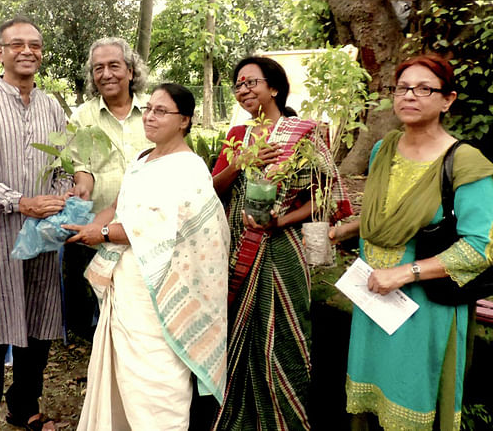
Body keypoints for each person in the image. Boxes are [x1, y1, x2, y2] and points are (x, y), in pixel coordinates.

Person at [331, 54, 493, 430]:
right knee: (370, 399)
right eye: (402, 88)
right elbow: (386, 217)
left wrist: (405, 273)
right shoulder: (382, 149)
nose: (410, 96)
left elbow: (480, 247)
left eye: (424, 89)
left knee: (411, 398)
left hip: (423, 304)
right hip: (373, 295)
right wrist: (348, 229)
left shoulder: (467, 162)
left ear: (447, 99)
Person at [65, 83, 231, 430]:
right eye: (150, 108)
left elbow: (164, 226)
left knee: (159, 379)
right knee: (125, 375)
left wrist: (105, 233)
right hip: (127, 283)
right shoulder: (142, 159)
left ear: (184, 120)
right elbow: (117, 206)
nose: (150, 117)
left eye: (161, 111)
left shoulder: (189, 168)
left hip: (162, 286)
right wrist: (87, 226)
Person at [210, 56, 352, 430]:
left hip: (282, 247)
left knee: (284, 336)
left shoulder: (304, 133)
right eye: (238, 85)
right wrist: (240, 162)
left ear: (273, 87)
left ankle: (285, 420)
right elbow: (212, 192)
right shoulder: (237, 138)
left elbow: (326, 197)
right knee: (239, 335)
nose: (243, 90)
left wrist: (280, 220)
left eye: (251, 82)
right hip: (237, 247)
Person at [0, 16, 70, 431]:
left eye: (35, 45)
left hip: (40, 239)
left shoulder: (52, 105)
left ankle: (23, 405)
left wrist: (63, 194)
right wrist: (22, 202)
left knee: (38, 329)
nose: (28, 51)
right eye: (17, 44)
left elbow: (63, 165)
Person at [65, 36, 151, 340]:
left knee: (148, 306)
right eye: (98, 68)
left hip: (149, 227)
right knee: (110, 307)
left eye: (114, 65)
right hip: (101, 229)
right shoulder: (83, 117)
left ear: (130, 70)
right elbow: (82, 166)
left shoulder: (154, 110)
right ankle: (111, 369)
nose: (106, 74)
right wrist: (82, 187)